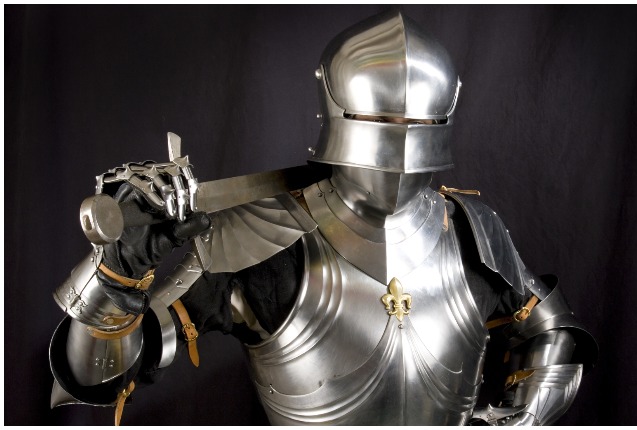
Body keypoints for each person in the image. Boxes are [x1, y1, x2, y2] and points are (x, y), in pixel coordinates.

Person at [48, 10, 597, 426]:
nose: (399, 145)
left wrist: (526, 411)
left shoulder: (471, 226)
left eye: (417, 123)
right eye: (380, 121)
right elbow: (99, 377)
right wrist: (115, 277)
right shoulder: (259, 239)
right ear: (338, 112)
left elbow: (553, 331)